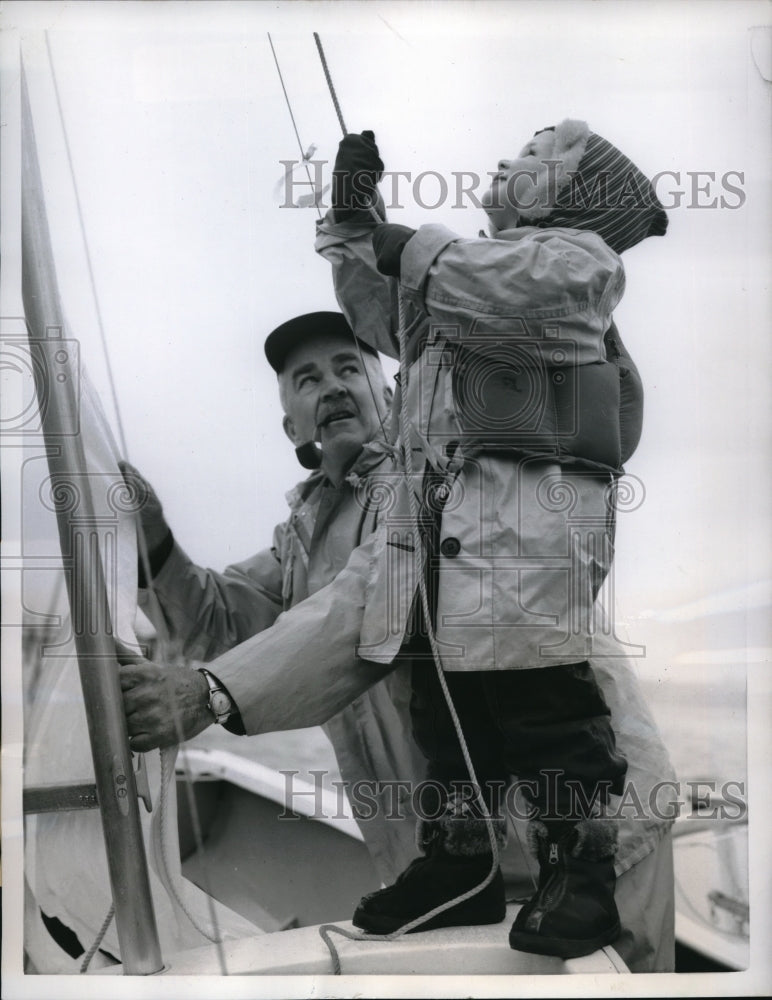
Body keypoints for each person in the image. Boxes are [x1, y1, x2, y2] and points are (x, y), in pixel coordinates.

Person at [120, 122, 676, 968]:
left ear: (392, 383)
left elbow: (361, 600)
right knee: (449, 737)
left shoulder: (439, 469)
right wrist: (150, 534)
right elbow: (220, 619)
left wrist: (206, 695)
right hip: (475, 857)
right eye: (305, 380)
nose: (331, 385)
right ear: (290, 425)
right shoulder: (304, 534)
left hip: (596, 842)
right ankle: (456, 855)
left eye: (347, 365)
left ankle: (561, 859)